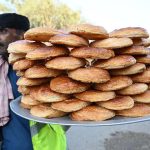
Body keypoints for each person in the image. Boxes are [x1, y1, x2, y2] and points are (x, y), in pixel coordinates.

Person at [0, 13, 67, 150]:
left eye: (3, 31)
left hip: (48, 146)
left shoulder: (44, 69)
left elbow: (67, 107)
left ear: (22, 36)